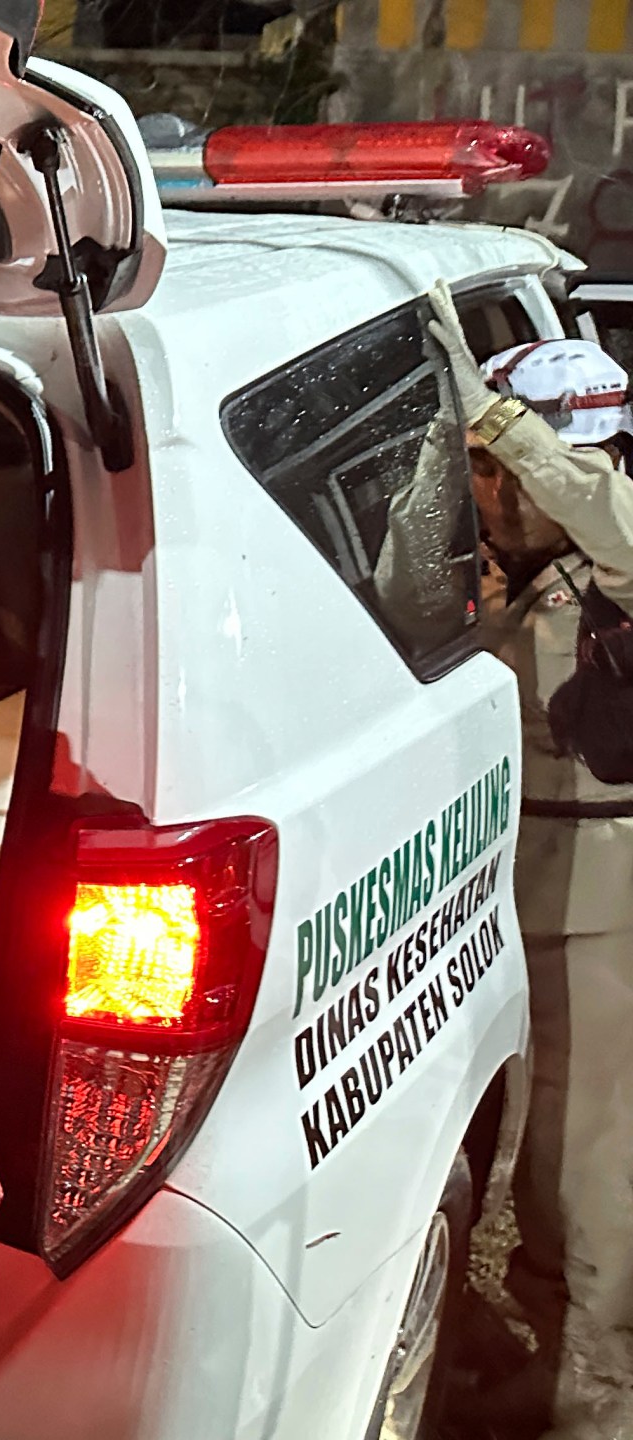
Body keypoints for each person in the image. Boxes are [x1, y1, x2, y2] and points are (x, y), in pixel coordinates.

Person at [427, 285, 633, 1440]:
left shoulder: (616, 553)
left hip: (606, 896)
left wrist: (507, 428)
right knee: (531, 1146)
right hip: (516, 890)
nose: (485, 493)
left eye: (500, 472)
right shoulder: (507, 569)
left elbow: (611, 519)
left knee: (593, 1152)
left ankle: (595, 1387)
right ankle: (545, 1347)